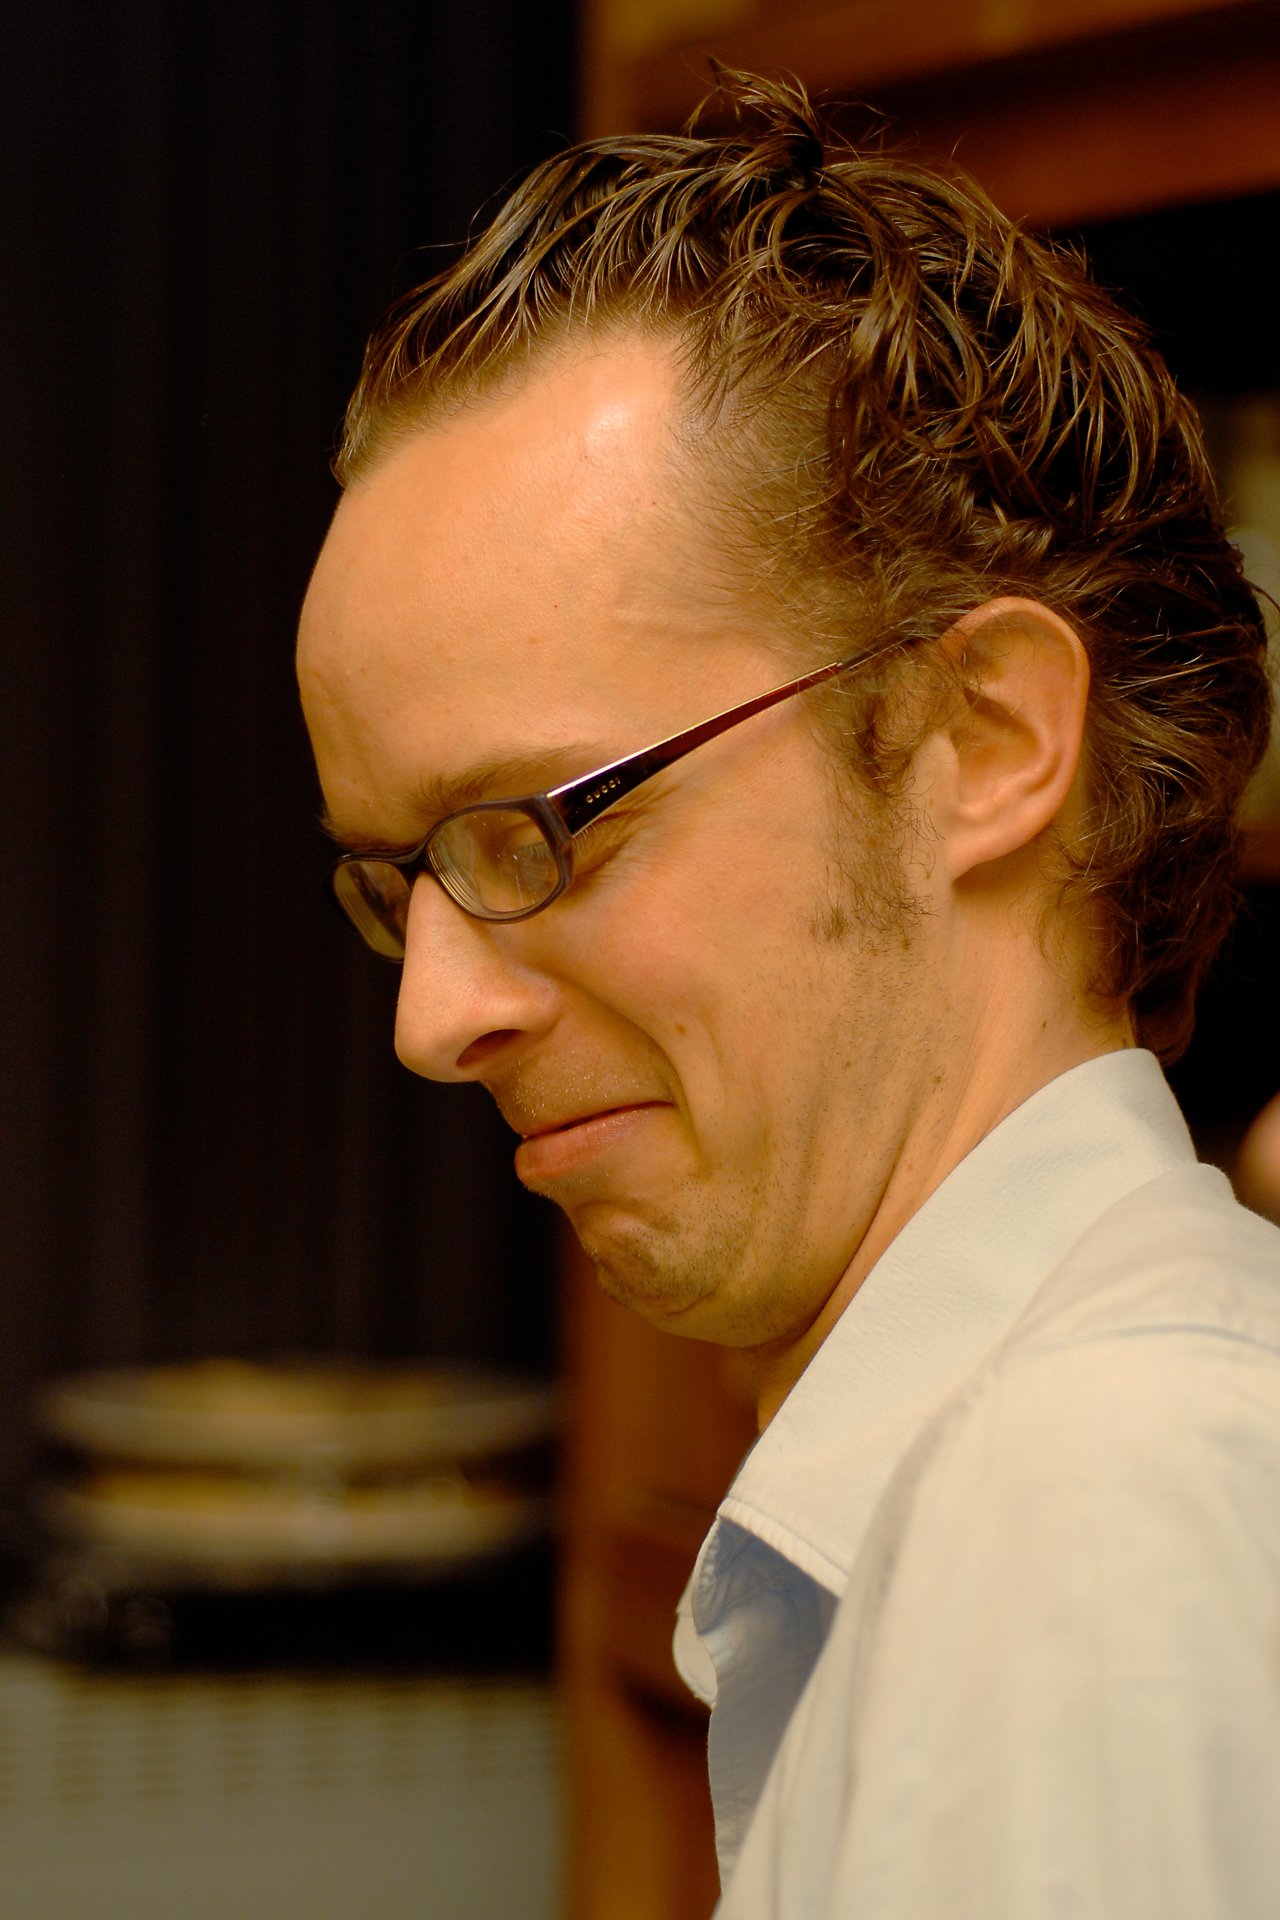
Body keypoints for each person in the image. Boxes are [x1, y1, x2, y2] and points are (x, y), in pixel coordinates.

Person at [296, 70, 1280, 1918]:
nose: (433, 1017)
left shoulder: (1089, 1511)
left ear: (976, 739)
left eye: (534, 826)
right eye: (396, 877)